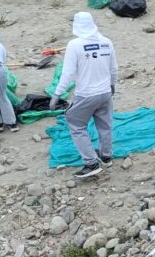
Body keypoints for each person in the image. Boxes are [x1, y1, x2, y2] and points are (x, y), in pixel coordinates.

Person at [49, 12, 117, 179]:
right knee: (105, 124)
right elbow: (114, 69)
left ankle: (90, 163)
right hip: (105, 92)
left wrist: (57, 94)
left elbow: (68, 73)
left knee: (76, 124)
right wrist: (112, 85)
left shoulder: (75, 45)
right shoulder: (106, 42)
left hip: (86, 94)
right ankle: (106, 156)